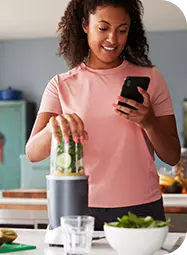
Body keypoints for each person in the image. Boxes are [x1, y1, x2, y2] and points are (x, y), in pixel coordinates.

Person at [26, 0, 181, 230]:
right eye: (103, 28)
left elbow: (172, 156)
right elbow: (33, 152)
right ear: (85, 25)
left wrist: (149, 122)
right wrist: (53, 126)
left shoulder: (151, 79)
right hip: (78, 208)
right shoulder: (61, 85)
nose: (112, 39)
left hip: (141, 207)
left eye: (122, 30)